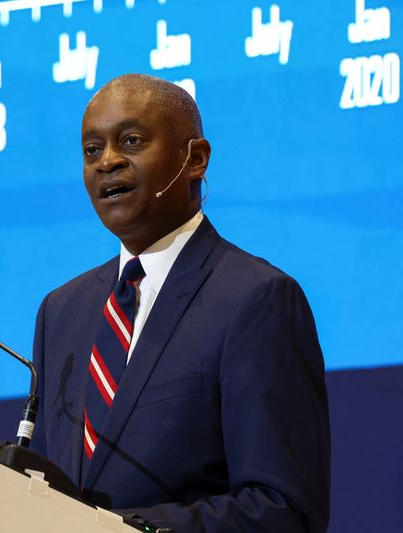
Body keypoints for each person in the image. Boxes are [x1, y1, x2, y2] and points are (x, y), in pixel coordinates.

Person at [30, 73, 330, 532]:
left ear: (196, 159)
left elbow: (284, 508)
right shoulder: (60, 311)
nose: (107, 161)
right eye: (92, 150)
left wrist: (120, 529)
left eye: (130, 141)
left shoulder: (255, 299)